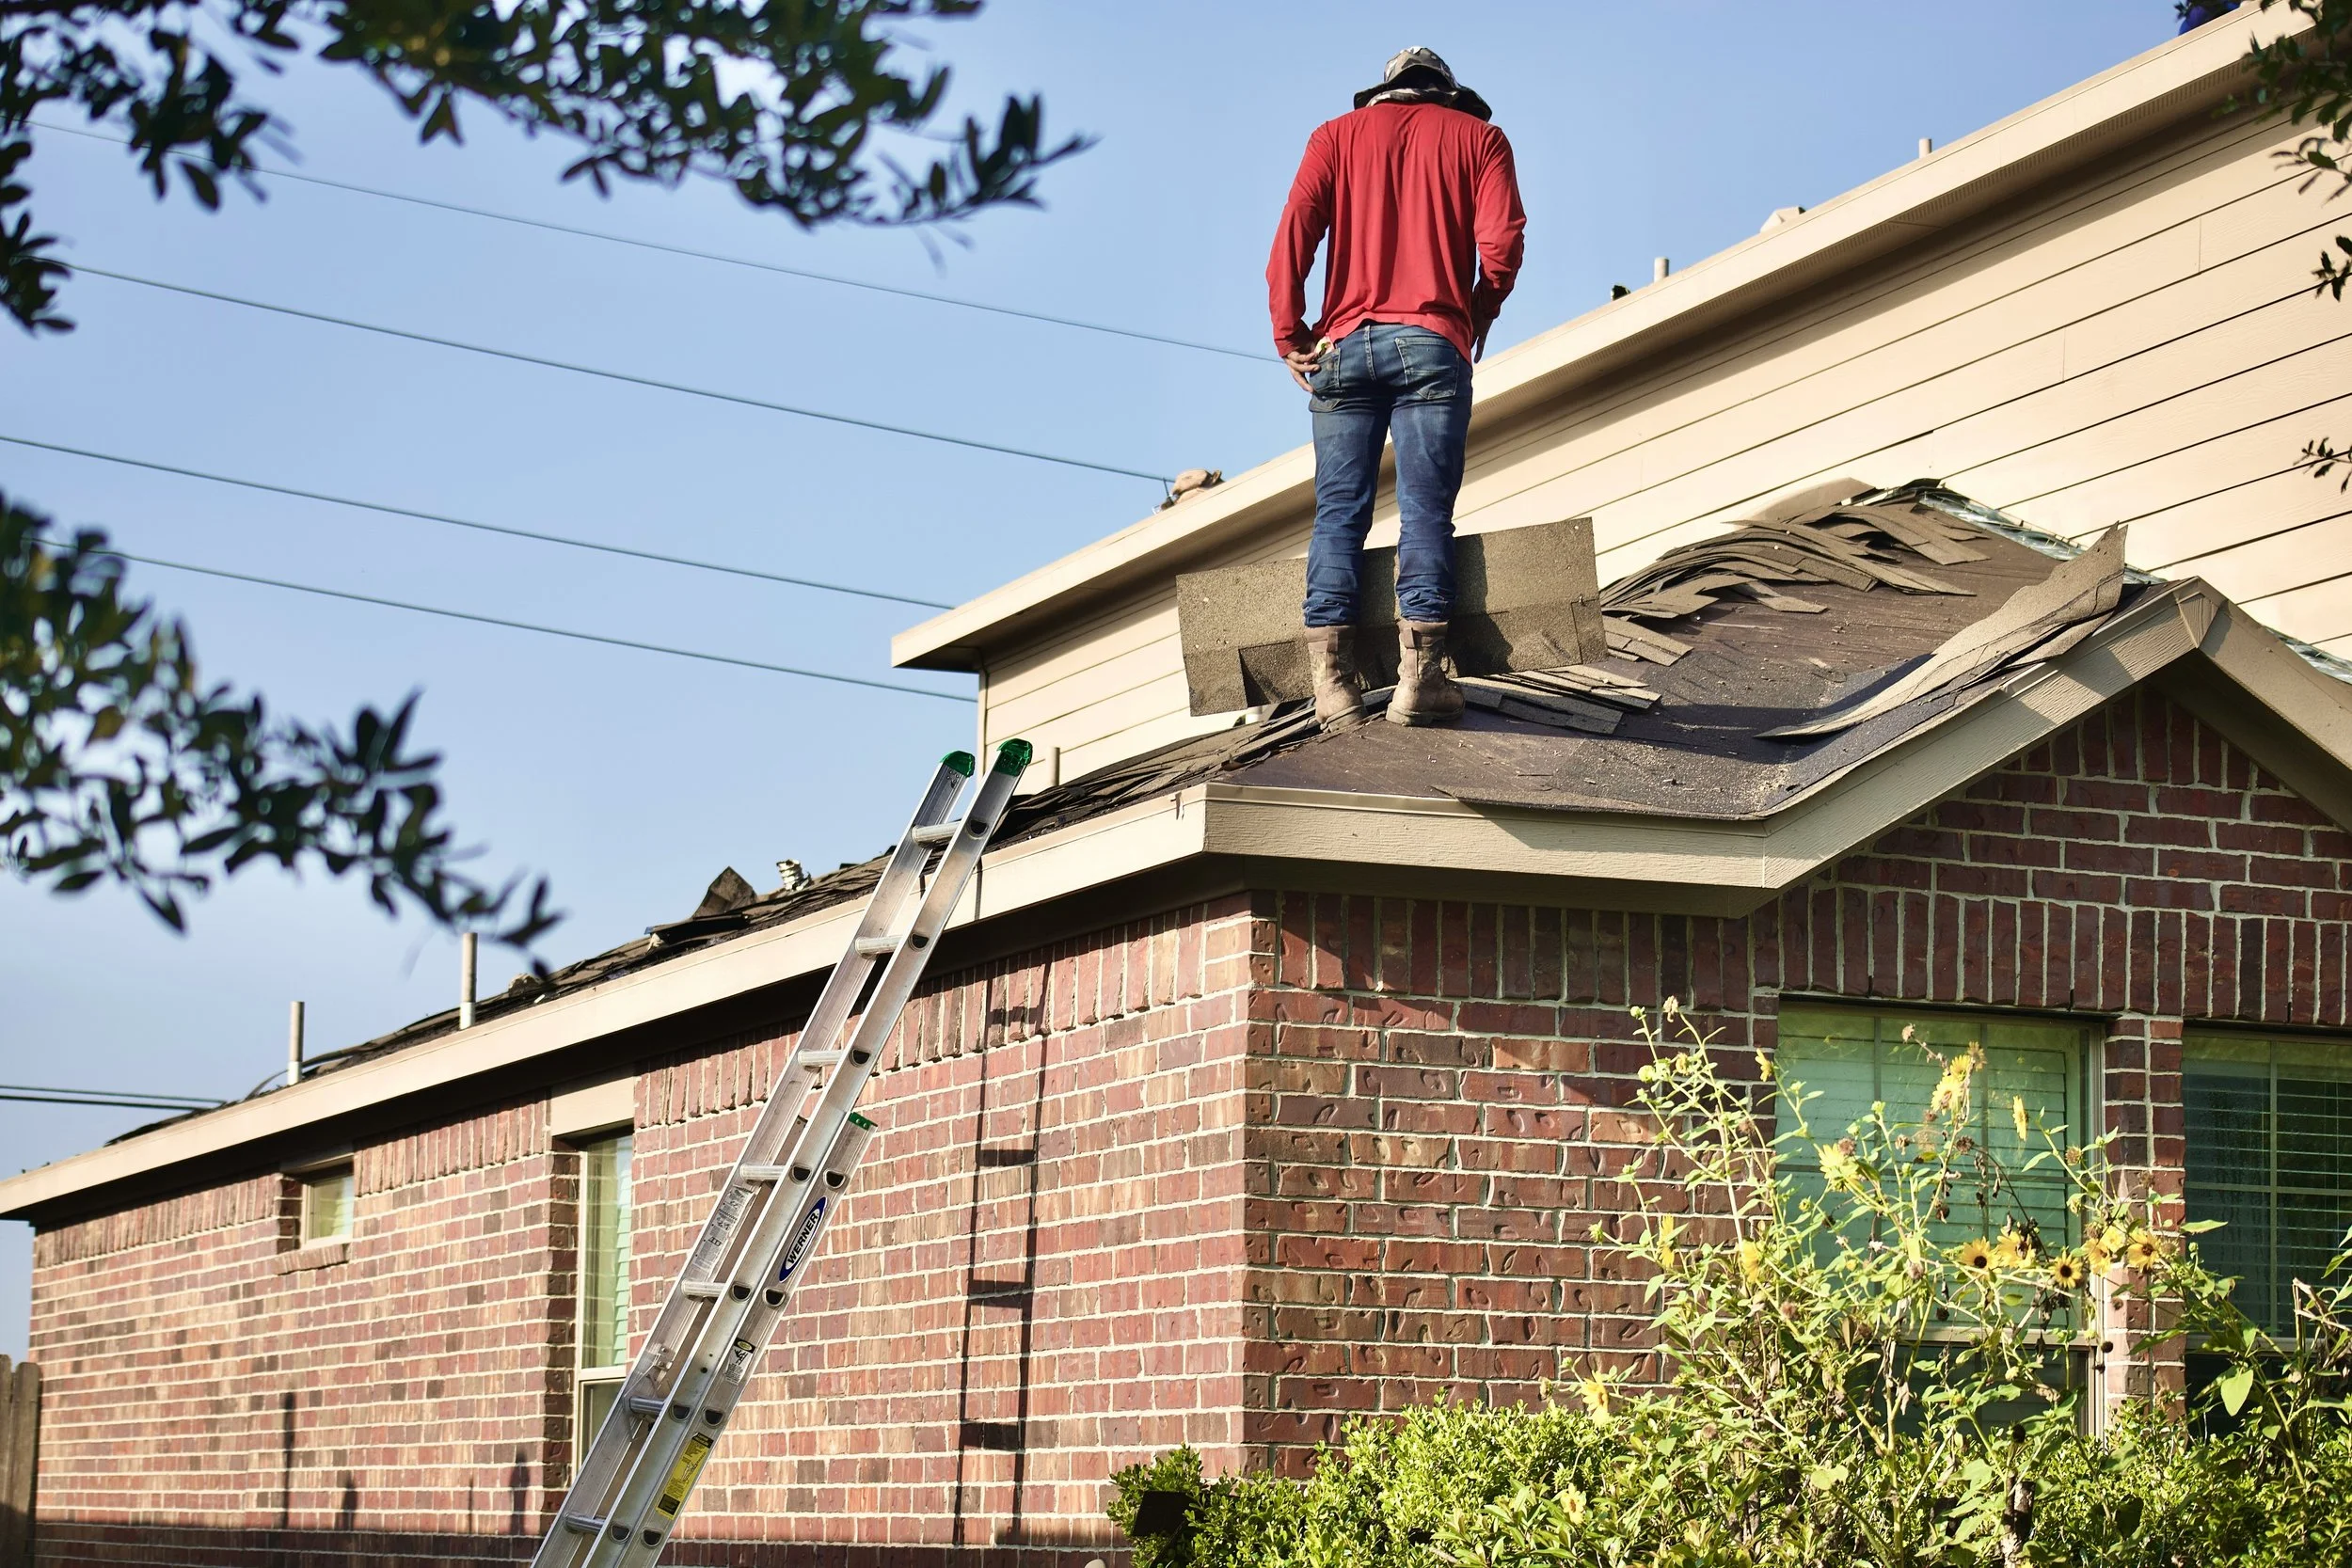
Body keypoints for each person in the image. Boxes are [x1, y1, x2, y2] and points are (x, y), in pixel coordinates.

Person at [1267, 46, 1526, 730]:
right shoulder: (1481, 139)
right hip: (1433, 342)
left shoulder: (1334, 136)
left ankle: (1331, 685)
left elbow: (1293, 235)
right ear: (1446, 94)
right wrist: (1472, 315)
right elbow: (1501, 248)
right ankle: (1421, 678)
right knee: (1425, 511)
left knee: (1338, 514)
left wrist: (1289, 335)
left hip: (1343, 348)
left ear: (1384, 93)